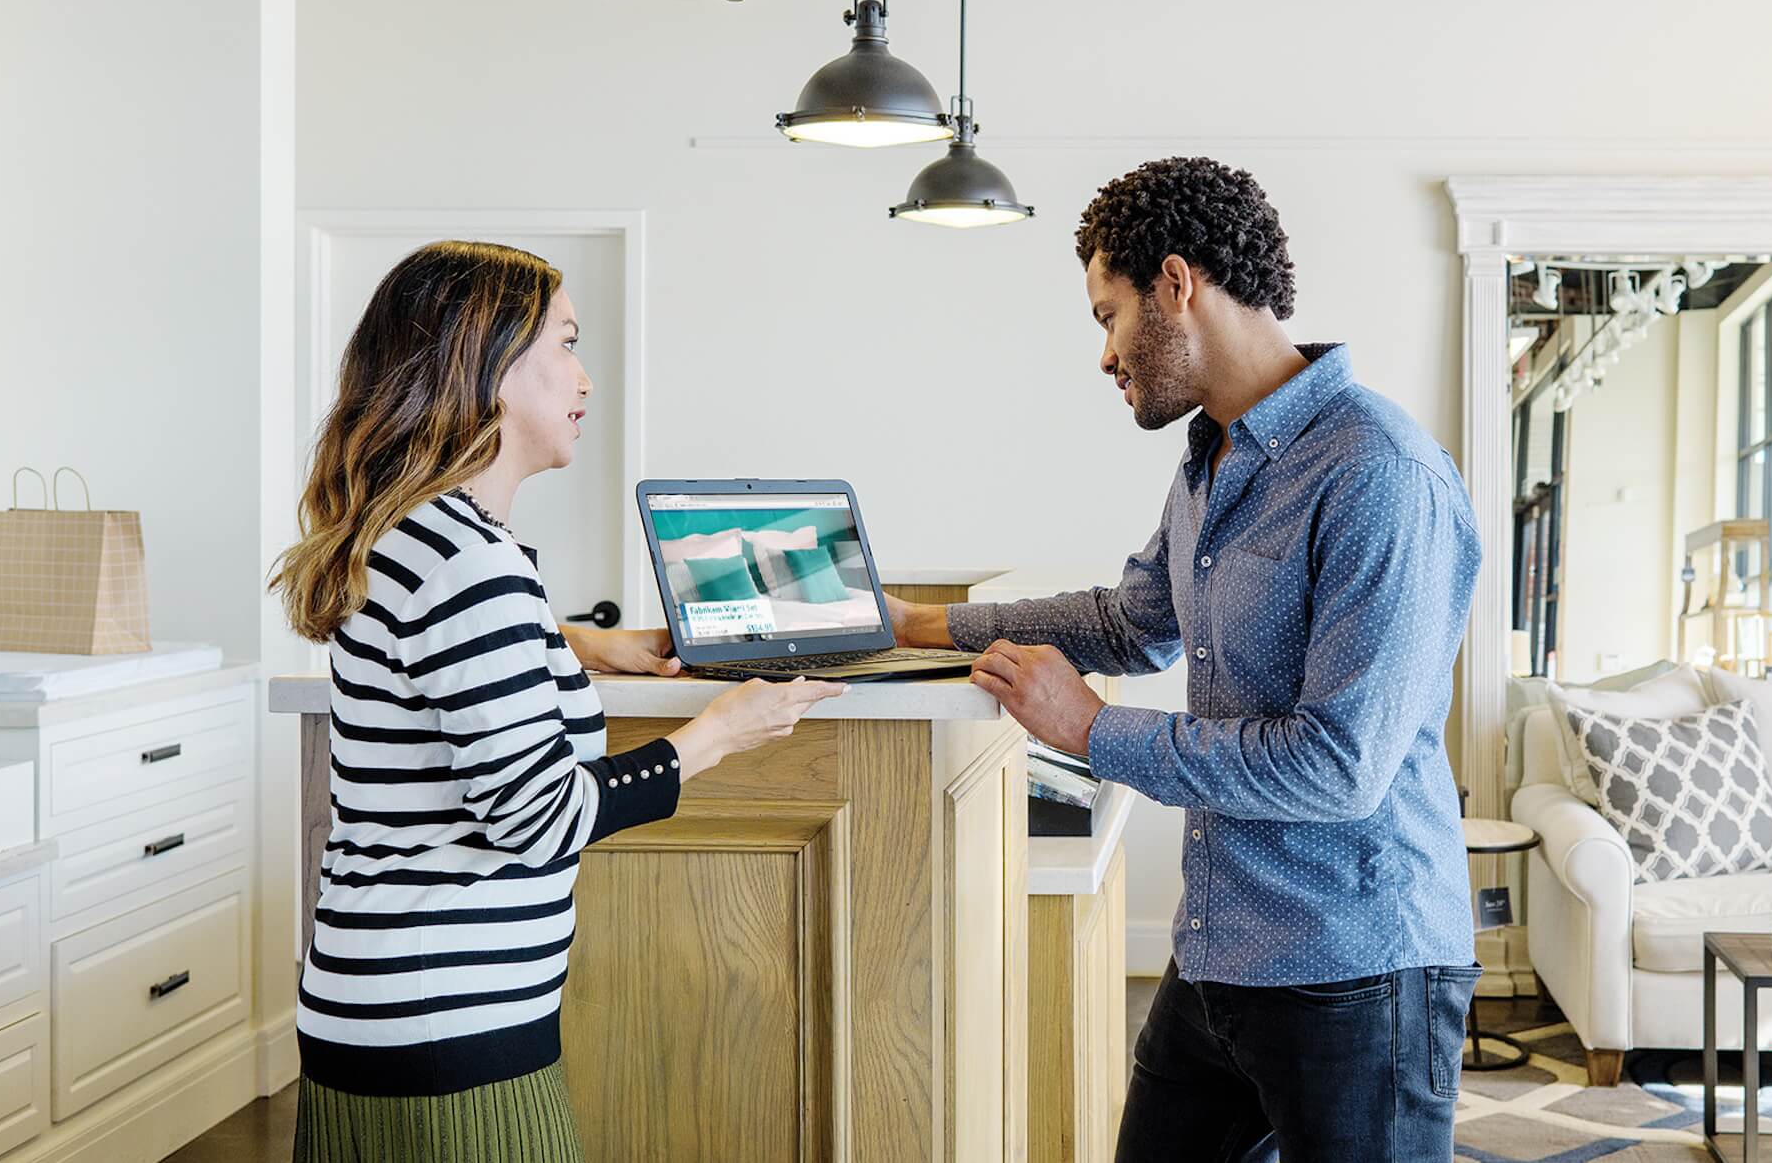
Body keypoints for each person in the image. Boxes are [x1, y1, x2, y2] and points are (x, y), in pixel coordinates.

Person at [888, 157, 1484, 1161]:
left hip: (1359, 974)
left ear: (1175, 284)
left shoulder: (1380, 476)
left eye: (1105, 315)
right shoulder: (1212, 454)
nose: (1105, 354)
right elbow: (1135, 621)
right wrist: (923, 624)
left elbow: (1336, 767)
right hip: (1219, 957)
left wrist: (1089, 730)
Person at [271, 240, 844, 1162]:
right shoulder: (471, 565)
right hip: (446, 1027)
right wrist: (716, 734)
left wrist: (578, 641)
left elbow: (444, 662)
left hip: (384, 1009)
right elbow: (540, 818)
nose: (584, 377)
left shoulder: (421, 536)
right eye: (566, 344)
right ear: (490, 366)